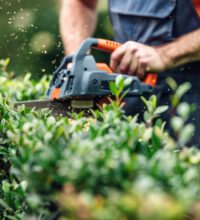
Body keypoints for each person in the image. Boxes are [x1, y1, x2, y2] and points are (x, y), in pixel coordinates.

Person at [59, 0, 200, 147]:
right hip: (126, 92)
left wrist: (165, 55)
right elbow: (81, 3)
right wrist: (78, 62)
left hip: (190, 98)